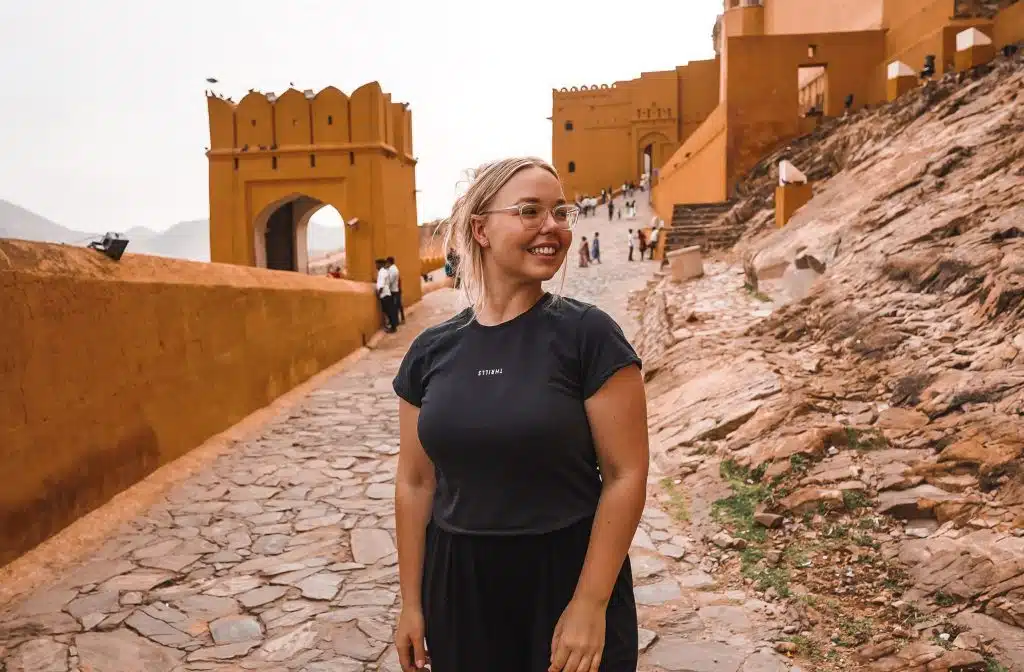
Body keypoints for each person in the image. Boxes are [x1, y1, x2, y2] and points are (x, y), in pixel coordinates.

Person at [393, 157, 648, 672]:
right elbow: (416, 482)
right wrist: (412, 604)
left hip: (565, 577)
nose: (551, 227)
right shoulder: (429, 352)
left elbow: (626, 474)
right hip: (459, 587)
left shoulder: (589, 336)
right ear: (481, 229)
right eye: (530, 211)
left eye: (560, 212)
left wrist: (590, 604)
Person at [376, 258, 398, 333]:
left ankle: (393, 328)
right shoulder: (384, 271)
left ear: (381, 264)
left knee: (388, 311)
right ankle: (392, 326)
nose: (376, 266)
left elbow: (381, 285)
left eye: (377, 264)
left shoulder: (382, 272)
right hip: (386, 293)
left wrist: (378, 294)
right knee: (388, 311)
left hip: (384, 294)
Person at [386, 256, 405, 324]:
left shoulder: (393, 270)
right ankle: (401, 319)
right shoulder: (393, 269)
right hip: (397, 290)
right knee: (398, 305)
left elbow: (391, 281)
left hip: (395, 290)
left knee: (396, 305)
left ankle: (396, 321)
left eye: (386, 263)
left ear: (389, 262)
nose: (386, 264)